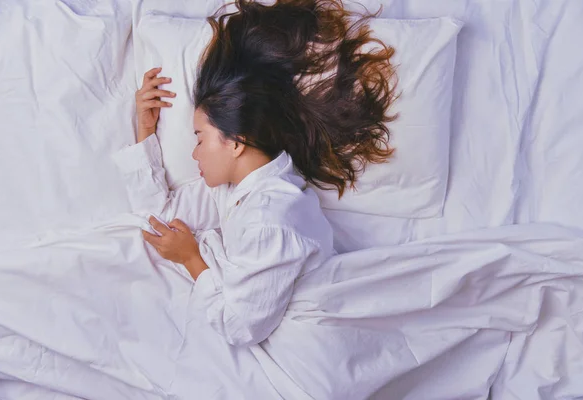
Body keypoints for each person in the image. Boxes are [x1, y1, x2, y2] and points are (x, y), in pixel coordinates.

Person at [112, 0, 396, 347]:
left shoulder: (271, 218)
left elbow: (239, 327)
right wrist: (145, 127)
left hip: (313, 348)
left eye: (200, 139)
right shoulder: (236, 189)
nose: (194, 153)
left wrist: (191, 258)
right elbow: (160, 220)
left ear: (235, 142)